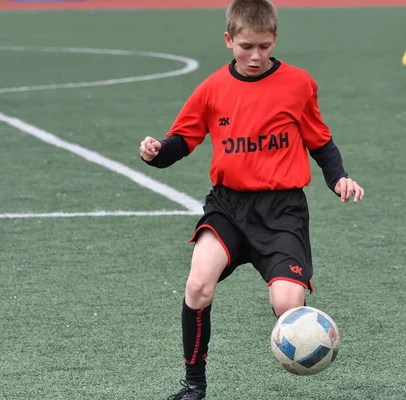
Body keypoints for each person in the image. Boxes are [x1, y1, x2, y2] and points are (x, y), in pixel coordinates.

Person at [139, 1, 365, 399]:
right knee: (197, 287)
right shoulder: (212, 88)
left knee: (287, 305)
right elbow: (183, 140)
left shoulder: (298, 84)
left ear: (275, 39)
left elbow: (321, 142)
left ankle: (305, 337)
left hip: (282, 212)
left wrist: (339, 179)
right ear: (229, 40)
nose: (256, 55)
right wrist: (158, 153)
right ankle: (194, 386)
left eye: (263, 45)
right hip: (228, 206)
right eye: (246, 46)